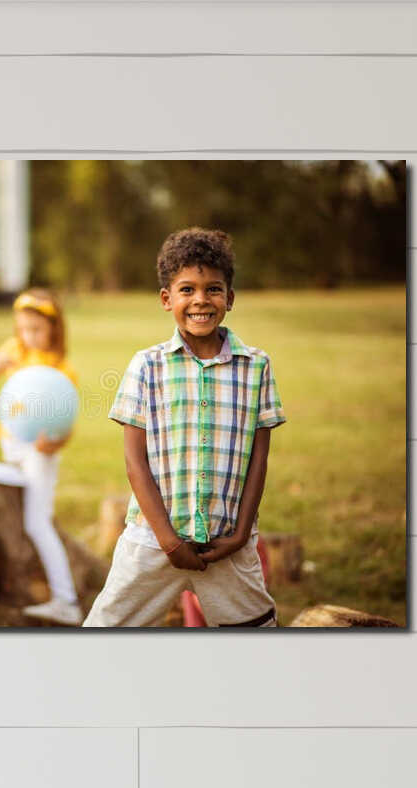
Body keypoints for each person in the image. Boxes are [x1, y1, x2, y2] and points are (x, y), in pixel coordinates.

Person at [83, 228, 284, 628]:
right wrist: (170, 543)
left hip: (226, 544)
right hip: (151, 541)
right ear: (166, 299)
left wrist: (242, 533)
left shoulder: (256, 366)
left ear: (229, 297)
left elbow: (259, 458)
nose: (200, 300)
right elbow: (134, 461)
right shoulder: (146, 365)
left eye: (213, 289)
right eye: (187, 289)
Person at [0, 289, 81, 625]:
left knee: (37, 521)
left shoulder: (60, 368)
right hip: (12, 445)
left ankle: (67, 600)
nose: (28, 336)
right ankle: (18, 585)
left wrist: (55, 445)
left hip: (39, 450)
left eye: (36, 329)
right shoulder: (13, 351)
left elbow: (67, 421)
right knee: (18, 517)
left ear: (53, 328)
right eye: (23, 329)